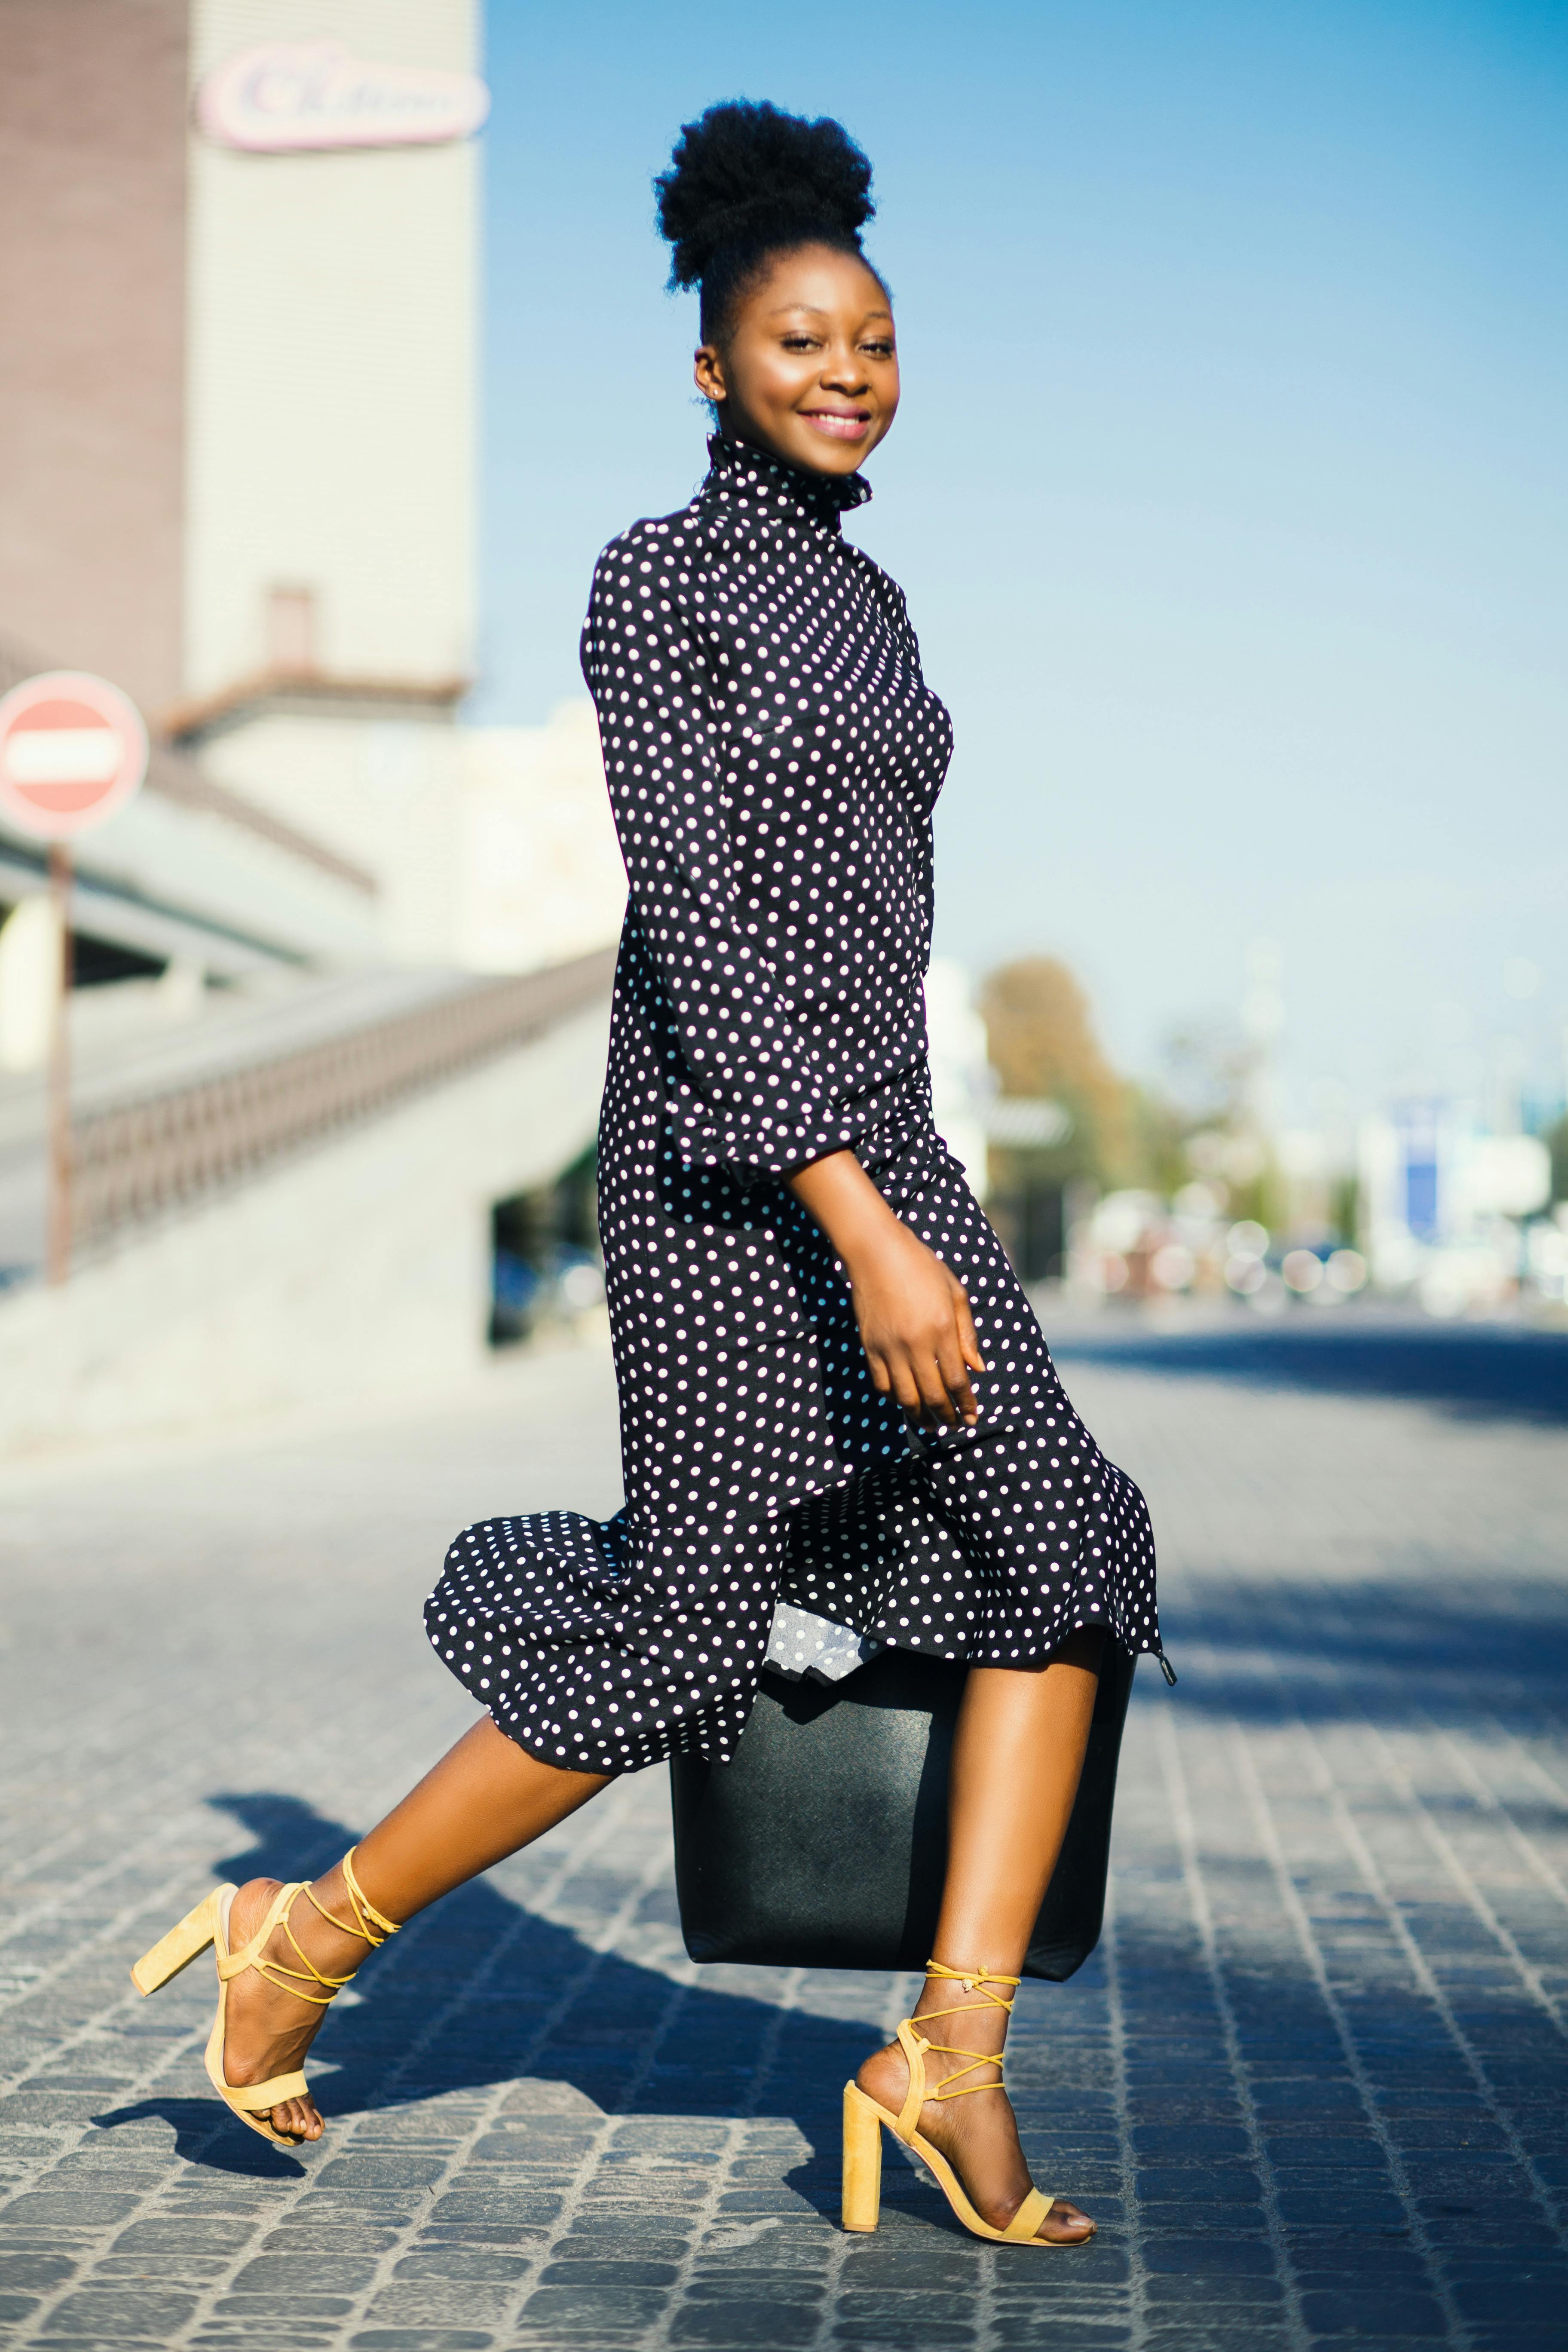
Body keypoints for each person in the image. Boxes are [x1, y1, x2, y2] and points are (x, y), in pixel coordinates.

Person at [132, 100, 1167, 2250]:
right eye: (801, 338)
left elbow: (875, 917)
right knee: (689, 1632)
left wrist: (908, 1181)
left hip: (887, 1143)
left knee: (1073, 1546)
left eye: (874, 337)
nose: (847, 368)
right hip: (724, 1178)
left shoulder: (877, 610)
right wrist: (855, 1217)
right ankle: (302, 1940)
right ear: (714, 365)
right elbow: (694, 915)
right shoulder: (656, 579)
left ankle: (948, 2055)